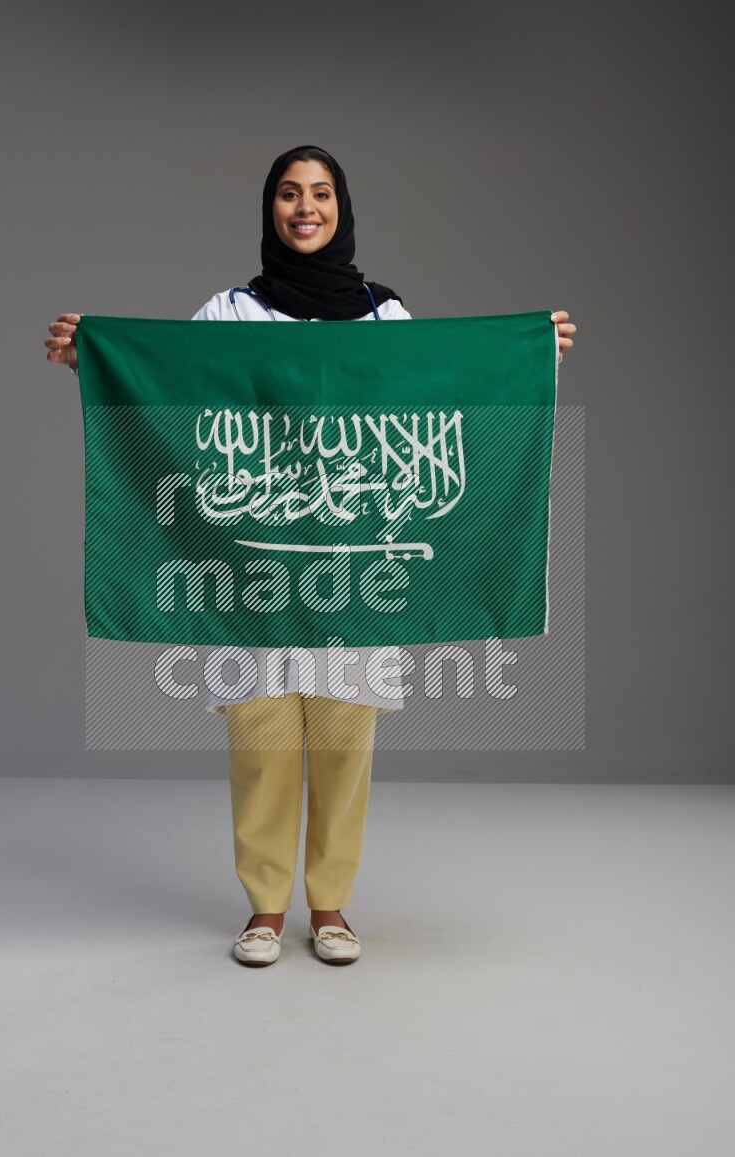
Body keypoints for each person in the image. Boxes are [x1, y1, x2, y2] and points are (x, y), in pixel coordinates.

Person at [45, 145, 577, 968]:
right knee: (260, 738)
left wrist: (529, 355)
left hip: (355, 563)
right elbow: (169, 391)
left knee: (342, 736)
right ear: (270, 209)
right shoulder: (229, 314)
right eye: (290, 193)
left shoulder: (382, 317)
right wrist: (97, 357)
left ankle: (329, 903)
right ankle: (264, 907)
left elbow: (434, 397)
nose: (305, 207)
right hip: (253, 560)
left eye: (320, 193)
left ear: (341, 207)